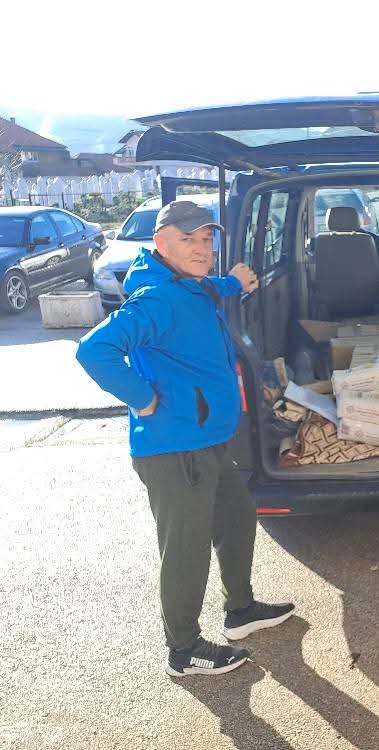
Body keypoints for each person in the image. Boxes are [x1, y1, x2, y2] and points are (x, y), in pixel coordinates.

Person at [76, 200, 295, 677]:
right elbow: (94, 350)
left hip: (206, 438)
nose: (201, 249)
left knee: (237, 516)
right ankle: (184, 649)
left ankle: (240, 611)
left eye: (206, 239)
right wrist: (141, 398)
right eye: (187, 239)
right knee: (186, 548)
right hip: (175, 448)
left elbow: (207, 287)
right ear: (160, 243)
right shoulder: (157, 298)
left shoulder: (188, 284)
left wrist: (234, 282)